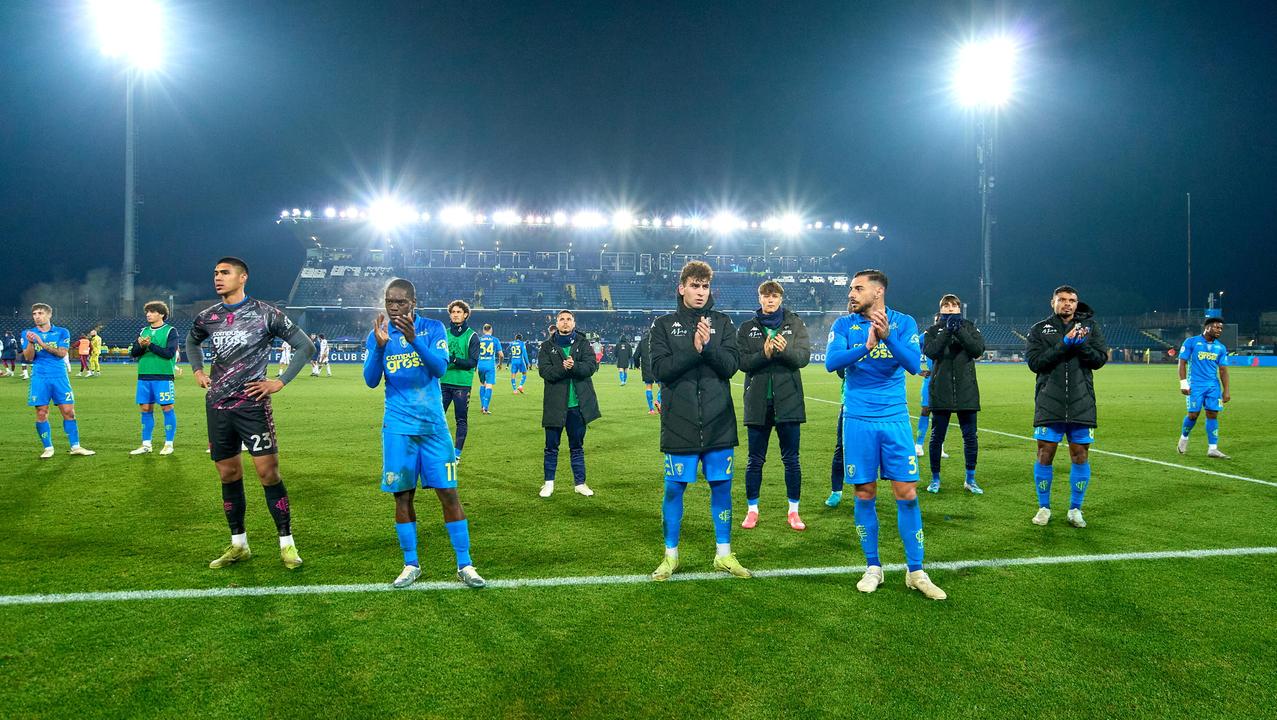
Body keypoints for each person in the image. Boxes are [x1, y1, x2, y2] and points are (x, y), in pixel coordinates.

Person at [186, 257, 316, 570]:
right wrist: (197, 371)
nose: (218, 277)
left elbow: (305, 346)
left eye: (225, 273)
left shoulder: (266, 313)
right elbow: (192, 342)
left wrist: (279, 382)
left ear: (242, 277)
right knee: (228, 474)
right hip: (217, 406)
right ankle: (238, 544)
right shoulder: (208, 316)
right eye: (215, 272)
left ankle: (286, 543)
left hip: (252, 406)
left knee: (268, 473)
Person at [826, 269, 945, 600]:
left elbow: (912, 363)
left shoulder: (904, 323)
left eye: (857, 288)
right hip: (858, 419)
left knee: (906, 493)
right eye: (851, 288)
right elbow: (832, 363)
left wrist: (888, 336)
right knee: (864, 493)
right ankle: (873, 567)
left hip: (894, 419)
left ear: (877, 293)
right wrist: (866, 346)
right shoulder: (843, 325)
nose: (851, 293)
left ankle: (916, 571)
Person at [363, 279, 485, 589]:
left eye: (401, 302)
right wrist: (378, 349)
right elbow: (371, 380)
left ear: (413, 303)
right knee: (402, 497)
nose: (394, 306)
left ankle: (465, 564)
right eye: (390, 301)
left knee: (449, 494)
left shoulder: (432, 328)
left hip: (433, 428)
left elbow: (439, 369)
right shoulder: (379, 333)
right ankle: (411, 564)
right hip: (398, 429)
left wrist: (414, 340)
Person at [648, 260, 750, 581]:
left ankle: (723, 554)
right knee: (674, 490)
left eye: (705, 286)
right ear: (682, 288)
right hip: (680, 422)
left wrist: (707, 349)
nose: (700, 292)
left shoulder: (723, 322)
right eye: (694, 285)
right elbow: (661, 370)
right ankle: (670, 556)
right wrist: (694, 349)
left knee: (722, 487)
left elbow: (731, 365)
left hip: (720, 422)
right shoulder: (663, 326)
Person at [1025, 285, 1108, 528]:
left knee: (1080, 455)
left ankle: (1075, 509)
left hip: (1081, 402)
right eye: (1062, 299)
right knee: (1044, 453)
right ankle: (1043, 507)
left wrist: (1080, 344)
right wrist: (1065, 342)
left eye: (1072, 300)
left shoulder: (1091, 329)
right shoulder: (1039, 329)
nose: (1067, 304)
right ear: (1053, 302)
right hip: (1049, 402)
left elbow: (1099, 360)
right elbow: (1035, 362)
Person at [737, 280, 811, 531]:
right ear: (759, 298)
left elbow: (803, 358)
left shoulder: (795, 324)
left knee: (791, 460)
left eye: (775, 295)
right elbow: (742, 363)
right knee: (755, 460)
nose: (770, 300)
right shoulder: (747, 329)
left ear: (781, 298)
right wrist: (764, 354)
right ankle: (752, 510)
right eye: (766, 296)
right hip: (757, 403)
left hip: (788, 402)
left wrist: (783, 351)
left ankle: (794, 512)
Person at [922, 294, 986, 494]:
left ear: (960, 308)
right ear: (941, 309)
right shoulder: (932, 330)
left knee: (970, 437)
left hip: (966, 391)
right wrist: (946, 332)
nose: (950, 308)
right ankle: (935, 479)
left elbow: (977, 350)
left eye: (954, 305)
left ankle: (970, 479)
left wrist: (959, 331)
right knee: (937, 437)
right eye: (946, 305)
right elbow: (931, 352)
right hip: (941, 391)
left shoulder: (970, 327)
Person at [537, 310, 601, 498]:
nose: (565, 322)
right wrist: (563, 368)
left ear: (574, 323)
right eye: (561, 319)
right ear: (556, 323)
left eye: (568, 319)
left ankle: (580, 483)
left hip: (577, 406)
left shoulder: (583, 343)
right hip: (555, 405)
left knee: (577, 446)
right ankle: (548, 484)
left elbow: (591, 367)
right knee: (551, 446)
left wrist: (575, 366)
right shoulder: (546, 347)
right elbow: (545, 372)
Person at [22, 303, 95, 458]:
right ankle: (48, 448)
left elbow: (62, 353)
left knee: (68, 412)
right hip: (39, 377)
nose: (37, 316)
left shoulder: (62, 332)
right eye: (34, 313)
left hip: (60, 377)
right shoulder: (28, 333)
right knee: (41, 412)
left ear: (49, 315)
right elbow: (28, 358)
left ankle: (76, 446)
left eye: (40, 313)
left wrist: (42, 344)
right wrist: (30, 342)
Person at [128, 301, 179, 455]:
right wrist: (141, 346)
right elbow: (134, 353)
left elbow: (169, 353)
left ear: (161, 314)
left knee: (167, 407)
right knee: (145, 408)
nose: (148, 314)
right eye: (147, 312)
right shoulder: (143, 330)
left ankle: (169, 444)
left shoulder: (171, 331)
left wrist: (149, 345)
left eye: (152, 312)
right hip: (144, 375)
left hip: (163, 375)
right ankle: (146, 444)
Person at [1177, 317, 1231, 458]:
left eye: (1221, 328)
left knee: (1213, 414)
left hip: (1213, 386)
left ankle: (1212, 448)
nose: (1219, 330)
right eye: (1216, 327)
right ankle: (1184, 438)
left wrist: (1226, 390)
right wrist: (1183, 383)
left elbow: (1223, 370)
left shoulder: (1221, 347)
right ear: (1207, 327)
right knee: (1193, 415)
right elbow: (1182, 363)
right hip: (1195, 384)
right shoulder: (1191, 342)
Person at [441, 300, 481, 462]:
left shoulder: (472, 336)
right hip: (443, 382)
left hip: (462, 385)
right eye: (453, 312)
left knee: (461, 419)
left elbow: (472, 362)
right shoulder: (444, 333)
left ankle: (456, 455)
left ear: (465, 315)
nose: (455, 314)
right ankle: (438, 450)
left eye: (459, 312)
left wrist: (454, 360)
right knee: (437, 418)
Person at [913, 355, 948, 459]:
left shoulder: (950, 338)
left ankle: (940, 446)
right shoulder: (924, 338)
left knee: (942, 413)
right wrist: (918, 370)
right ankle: (919, 445)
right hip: (930, 379)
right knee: (925, 410)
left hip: (945, 380)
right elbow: (912, 347)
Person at [476, 323, 504, 414]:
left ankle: (482, 406)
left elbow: (474, 354)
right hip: (490, 365)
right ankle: (485, 408)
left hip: (480, 365)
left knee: (482, 384)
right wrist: (500, 364)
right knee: (489, 385)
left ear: (484, 330)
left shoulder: (479, 340)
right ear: (491, 330)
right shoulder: (495, 340)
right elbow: (501, 355)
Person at [632, 329, 661, 414]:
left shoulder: (642, 343)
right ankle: (658, 401)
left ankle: (651, 409)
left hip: (646, 368)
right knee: (662, 386)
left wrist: (637, 365)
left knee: (649, 387)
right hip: (658, 367)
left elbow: (635, 356)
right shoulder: (658, 341)